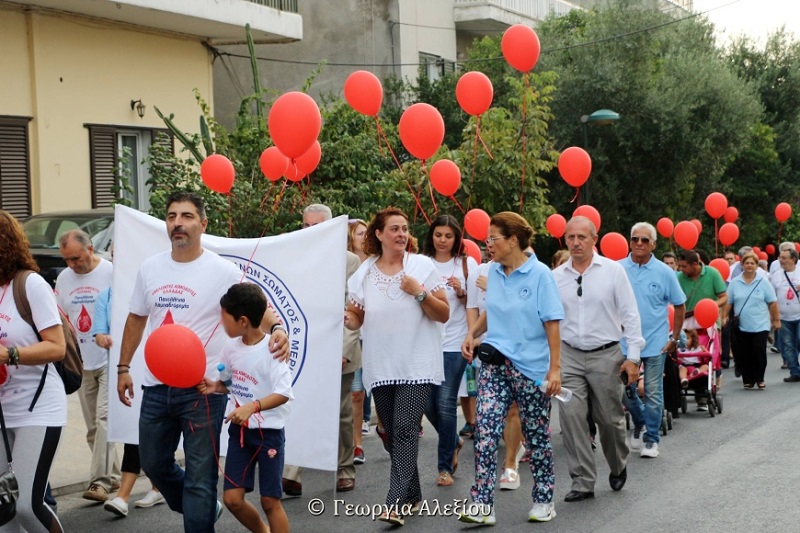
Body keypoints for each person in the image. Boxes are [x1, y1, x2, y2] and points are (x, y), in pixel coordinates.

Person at [117, 191, 289, 533]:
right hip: (156, 388)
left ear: (202, 223)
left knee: (200, 477)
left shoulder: (223, 270)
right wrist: (123, 367)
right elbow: (136, 319)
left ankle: (199, 515)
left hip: (203, 390)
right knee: (154, 464)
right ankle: (202, 508)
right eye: (171, 216)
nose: (178, 223)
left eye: (186, 216)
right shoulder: (150, 269)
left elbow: (257, 308)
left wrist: (279, 328)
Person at [344, 207, 449, 526]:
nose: (401, 234)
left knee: (404, 428)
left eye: (404, 229)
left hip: (417, 364)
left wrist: (419, 293)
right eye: (394, 229)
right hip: (381, 365)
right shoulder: (363, 273)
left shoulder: (422, 266)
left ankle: (395, 502)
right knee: (390, 433)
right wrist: (343, 318)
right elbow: (356, 316)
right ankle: (414, 492)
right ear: (378, 234)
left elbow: (443, 313)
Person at [459, 212, 564, 524]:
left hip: (531, 369)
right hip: (495, 365)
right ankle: (481, 505)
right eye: (488, 239)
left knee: (536, 436)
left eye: (494, 238)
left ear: (513, 240)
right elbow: (493, 311)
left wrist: (554, 369)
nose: (489, 244)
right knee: (486, 431)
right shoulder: (492, 272)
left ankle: (544, 499)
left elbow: (552, 323)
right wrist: (472, 334)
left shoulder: (541, 275)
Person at [552, 216, 644, 502]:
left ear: (594, 239)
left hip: (606, 355)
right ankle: (582, 481)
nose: (576, 242)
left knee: (609, 419)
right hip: (569, 355)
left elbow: (630, 314)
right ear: (565, 240)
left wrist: (633, 358)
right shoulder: (556, 276)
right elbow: (548, 320)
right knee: (571, 418)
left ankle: (617, 464)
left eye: (582, 237)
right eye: (571, 237)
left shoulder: (613, 272)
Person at [198, 283, 293, 533]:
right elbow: (231, 383)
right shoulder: (230, 348)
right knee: (232, 499)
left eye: (224, 316)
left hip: (268, 435)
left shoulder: (272, 349)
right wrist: (216, 387)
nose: (220, 322)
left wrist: (253, 407)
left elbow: (283, 393)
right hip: (240, 435)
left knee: (270, 501)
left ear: (242, 321)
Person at [282, 204, 361, 495]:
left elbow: (353, 311)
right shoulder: (294, 259)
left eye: (318, 227)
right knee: (299, 406)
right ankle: (293, 472)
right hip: (306, 348)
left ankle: (345, 469)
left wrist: (342, 350)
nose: (311, 232)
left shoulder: (350, 261)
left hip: (340, 349)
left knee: (340, 412)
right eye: (306, 226)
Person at [0, 210, 66, 532]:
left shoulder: (30, 285)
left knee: (26, 503)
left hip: (37, 408)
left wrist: (10, 354)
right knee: (3, 508)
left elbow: (57, 347)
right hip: (2, 411)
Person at [55, 229, 121, 502]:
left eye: (76, 258)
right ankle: (114, 475)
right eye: (68, 260)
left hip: (109, 357)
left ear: (91, 249)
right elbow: (60, 318)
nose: (72, 264)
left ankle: (100, 482)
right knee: (93, 427)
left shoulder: (111, 272)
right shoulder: (63, 278)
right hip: (81, 362)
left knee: (104, 419)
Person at [95, 267, 164, 517]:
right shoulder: (108, 296)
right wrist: (103, 339)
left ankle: (161, 487)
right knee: (132, 431)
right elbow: (100, 330)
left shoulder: (159, 284)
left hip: (159, 365)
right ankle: (123, 496)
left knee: (157, 440)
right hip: (129, 366)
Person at [421, 214, 478, 486]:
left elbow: (475, 305)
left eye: (448, 236)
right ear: (431, 236)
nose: (442, 240)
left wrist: (463, 292)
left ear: (457, 238)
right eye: (438, 235)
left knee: (445, 403)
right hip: (425, 342)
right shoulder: (420, 263)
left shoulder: (467, 264)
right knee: (426, 404)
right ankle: (453, 440)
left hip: (455, 342)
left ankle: (444, 467)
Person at [620, 223, 686, 459]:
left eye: (645, 240)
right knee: (624, 390)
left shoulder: (664, 272)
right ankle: (640, 423)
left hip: (656, 341)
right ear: (629, 241)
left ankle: (651, 440)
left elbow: (679, 304)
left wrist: (675, 338)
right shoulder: (616, 269)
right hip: (624, 343)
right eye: (635, 239)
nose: (639, 243)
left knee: (653, 391)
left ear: (653, 244)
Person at [676, 249, 728, 409]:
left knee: (708, 354)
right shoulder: (679, 277)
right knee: (681, 353)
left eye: (684, 266)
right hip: (686, 322)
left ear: (695, 264)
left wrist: (711, 306)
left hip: (707, 321)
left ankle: (703, 394)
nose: (681, 269)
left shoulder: (712, 274)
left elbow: (724, 297)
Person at [722, 251, 780, 390]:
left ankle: (759, 378)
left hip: (761, 324)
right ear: (742, 265)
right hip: (741, 325)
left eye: (752, 263)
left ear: (756, 266)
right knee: (744, 353)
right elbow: (728, 302)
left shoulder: (763, 282)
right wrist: (724, 316)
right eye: (746, 263)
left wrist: (776, 320)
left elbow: (772, 302)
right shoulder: (735, 282)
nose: (749, 266)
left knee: (758, 351)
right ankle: (748, 379)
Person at [347, 218, 370, 465]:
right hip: (351, 336)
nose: (364, 237)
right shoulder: (342, 263)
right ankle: (354, 445)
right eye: (359, 233)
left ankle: (380, 430)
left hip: (373, 336)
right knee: (354, 393)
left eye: (366, 232)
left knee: (366, 392)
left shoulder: (376, 262)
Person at [771, 248, 800, 382]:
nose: (780, 260)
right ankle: (795, 372)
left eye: (784, 258)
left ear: (793, 259)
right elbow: (771, 297)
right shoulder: (776, 275)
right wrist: (772, 316)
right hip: (783, 317)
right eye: (780, 257)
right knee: (787, 346)